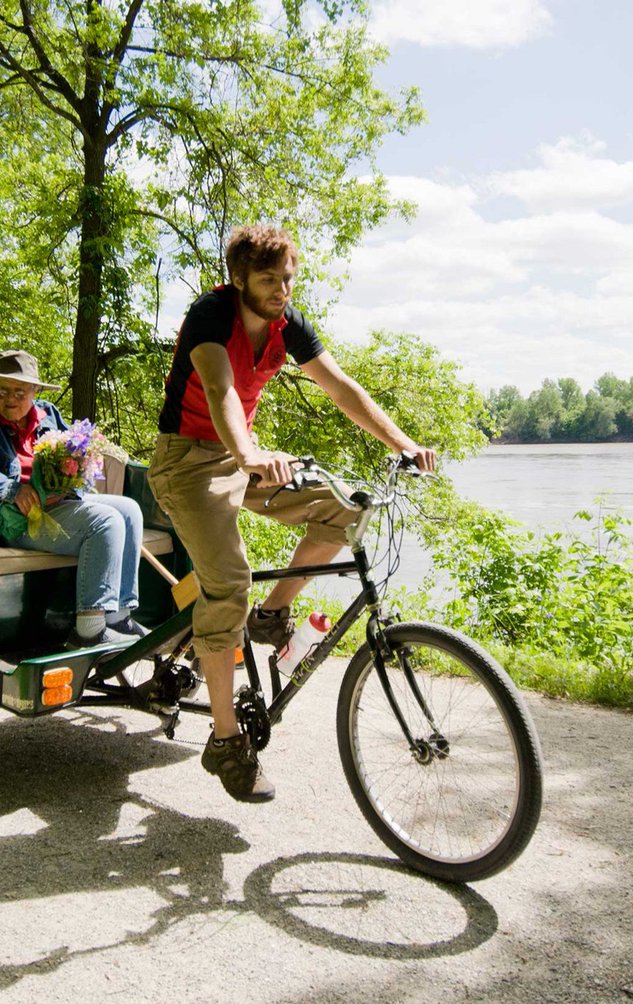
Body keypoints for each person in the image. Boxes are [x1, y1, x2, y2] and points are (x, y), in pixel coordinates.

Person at [148, 224, 436, 802]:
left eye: (286, 279)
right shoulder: (212, 315)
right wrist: (249, 452)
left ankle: (271, 614)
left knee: (342, 511)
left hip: (244, 459)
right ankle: (226, 740)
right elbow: (219, 389)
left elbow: (341, 387)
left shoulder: (289, 324)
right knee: (227, 582)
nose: (281, 290)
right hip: (187, 461)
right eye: (267, 279)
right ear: (239, 279)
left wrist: (402, 444)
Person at [0, 349, 147, 647]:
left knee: (129, 510)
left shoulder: (48, 415)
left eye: (19, 391)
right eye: (2, 390)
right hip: (16, 520)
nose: (9, 399)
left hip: (58, 506)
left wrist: (69, 484)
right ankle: (89, 628)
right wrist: (10, 489)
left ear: (34, 390)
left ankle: (118, 616)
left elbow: (73, 456)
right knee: (105, 522)